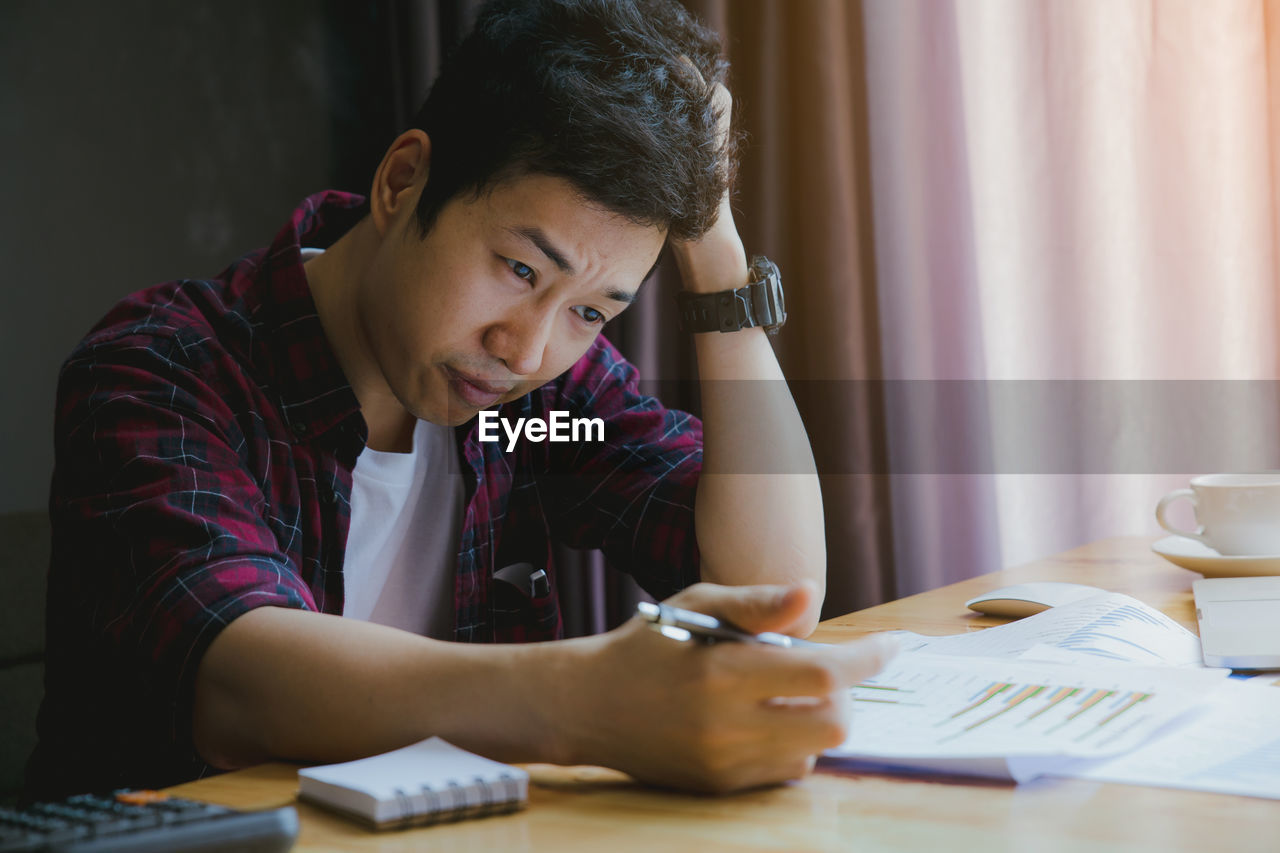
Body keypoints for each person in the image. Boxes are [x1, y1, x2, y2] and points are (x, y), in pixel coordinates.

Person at [28, 0, 894, 798]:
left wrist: (715, 256)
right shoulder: (164, 371)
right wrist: (587, 699)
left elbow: (773, 587)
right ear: (403, 182)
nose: (525, 348)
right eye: (519, 269)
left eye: (590, 311)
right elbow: (237, 682)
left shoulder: (537, 403)